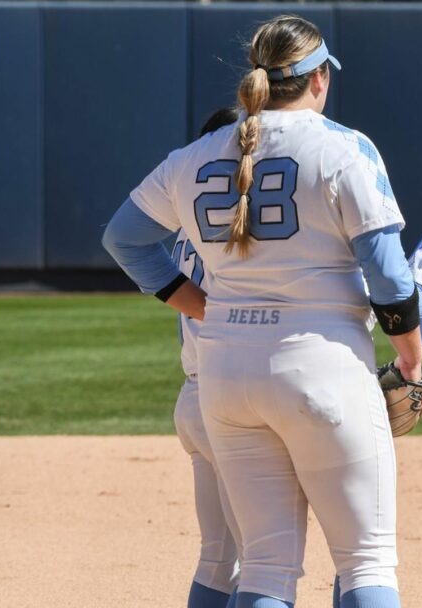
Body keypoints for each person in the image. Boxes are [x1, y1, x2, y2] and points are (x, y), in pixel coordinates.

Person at [101, 15, 422, 608]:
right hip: (321, 365)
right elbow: (388, 273)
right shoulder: (344, 147)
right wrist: (410, 359)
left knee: (266, 568)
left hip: (225, 374)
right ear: (319, 79)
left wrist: (203, 307)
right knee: (366, 561)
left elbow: (124, 239)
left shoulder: (194, 156)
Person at [106, 107, 244, 608]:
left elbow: (130, 246)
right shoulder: (236, 222)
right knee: (262, 562)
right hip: (229, 402)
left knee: (217, 556)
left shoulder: (188, 224)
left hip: (193, 398)